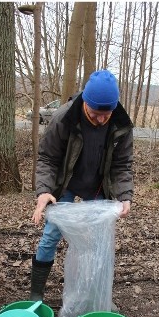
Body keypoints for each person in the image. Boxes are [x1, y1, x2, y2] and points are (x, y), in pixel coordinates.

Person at [30, 69, 133, 304]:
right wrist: (44, 191)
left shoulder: (121, 124)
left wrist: (124, 195)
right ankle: (36, 293)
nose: (101, 119)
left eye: (106, 114)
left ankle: (94, 295)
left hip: (97, 186)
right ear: (85, 102)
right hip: (65, 184)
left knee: (99, 241)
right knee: (50, 236)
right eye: (96, 113)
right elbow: (47, 158)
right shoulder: (63, 118)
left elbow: (122, 164)